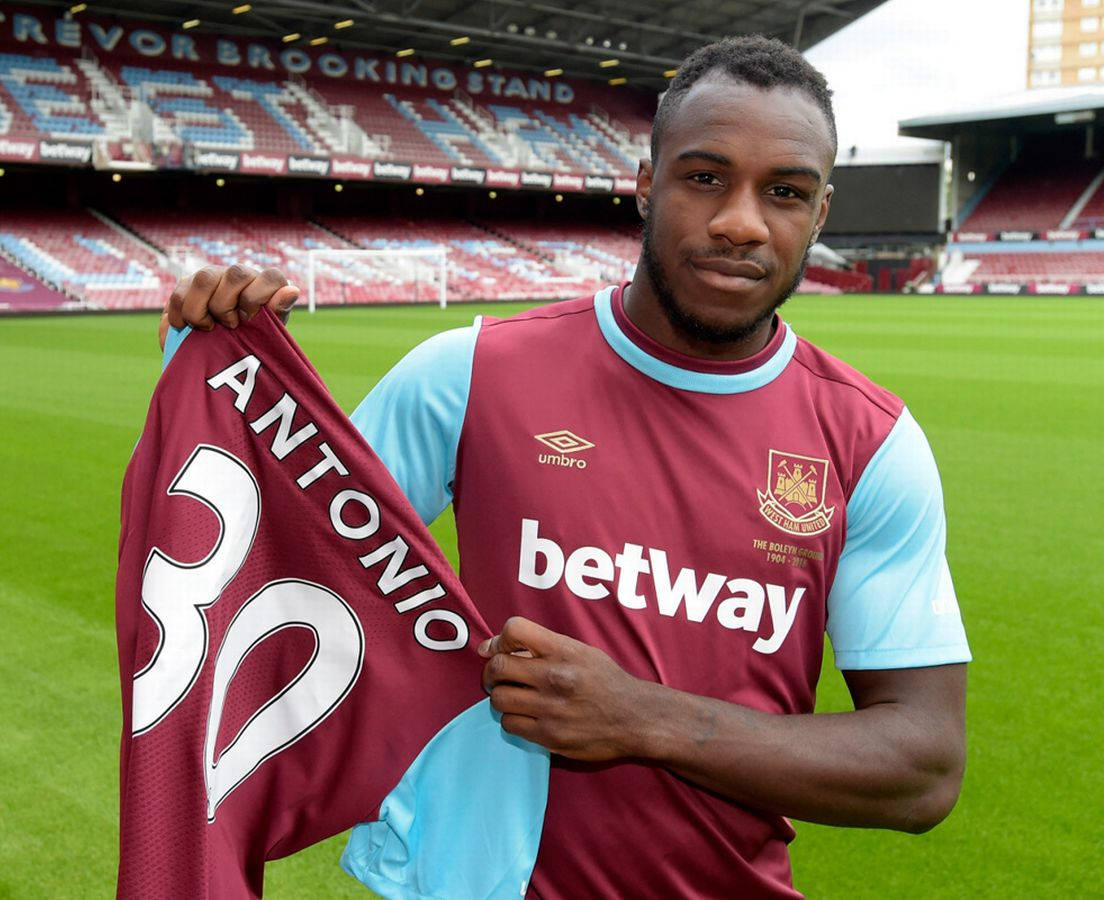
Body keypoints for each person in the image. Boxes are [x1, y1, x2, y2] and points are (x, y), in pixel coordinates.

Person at [160, 36, 969, 899]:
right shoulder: (468, 375)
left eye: (785, 193)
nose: (741, 220)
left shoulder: (869, 442)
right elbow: (264, 577)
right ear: (645, 185)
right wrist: (218, 381)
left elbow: (923, 768)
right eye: (704, 178)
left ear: (820, 215)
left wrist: (645, 719)